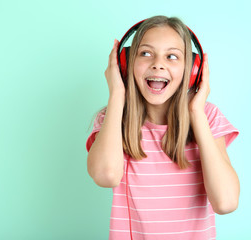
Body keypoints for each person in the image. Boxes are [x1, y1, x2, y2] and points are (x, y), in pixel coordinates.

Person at [86, 15, 240, 240]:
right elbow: (105, 176)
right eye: (146, 53)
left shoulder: (207, 117)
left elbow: (226, 202)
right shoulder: (113, 118)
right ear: (125, 65)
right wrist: (117, 94)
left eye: (172, 56)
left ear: (193, 70)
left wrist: (196, 113)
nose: (158, 64)